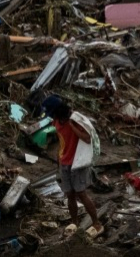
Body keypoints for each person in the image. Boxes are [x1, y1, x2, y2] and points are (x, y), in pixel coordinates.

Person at [41, 95, 103, 237]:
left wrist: (72, 126)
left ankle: (96, 223)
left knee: (81, 193)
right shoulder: (56, 121)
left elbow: (87, 138)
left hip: (77, 162)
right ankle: (74, 222)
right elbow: (61, 140)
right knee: (69, 194)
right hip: (64, 161)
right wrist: (59, 159)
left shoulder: (75, 119)